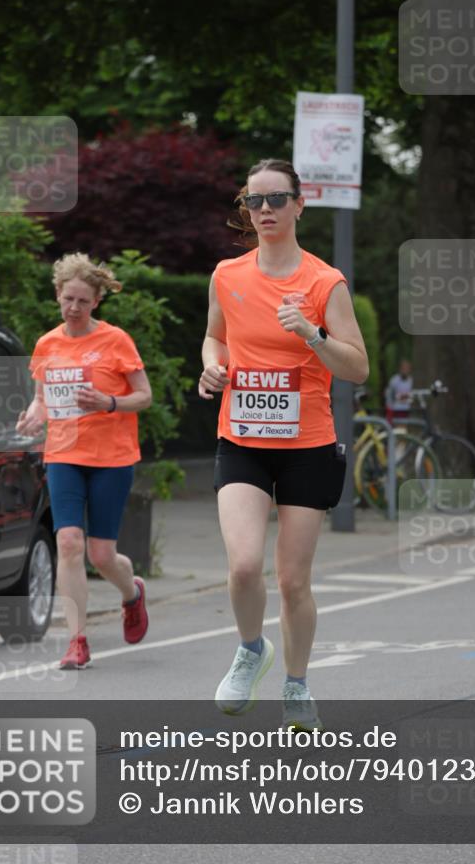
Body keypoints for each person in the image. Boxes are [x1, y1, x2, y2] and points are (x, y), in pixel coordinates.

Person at [199, 158, 369, 729]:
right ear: (245, 209)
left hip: (307, 444)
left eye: (276, 200)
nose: (265, 210)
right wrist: (212, 370)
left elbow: (359, 367)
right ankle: (251, 649)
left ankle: (296, 683)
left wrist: (313, 334)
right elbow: (213, 338)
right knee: (245, 565)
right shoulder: (227, 274)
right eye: (254, 201)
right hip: (242, 437)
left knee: (294, 580)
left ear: (300, 204)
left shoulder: (325, 282)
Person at [16, 253, 152, 667]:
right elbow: (43, 401)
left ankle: (133, 594)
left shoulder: (115, 341)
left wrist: (109, 402)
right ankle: (77, 640)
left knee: (102, 555)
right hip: (64, 453)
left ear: (96, 302)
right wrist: (31, 416)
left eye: (82, 301)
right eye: (67, 299)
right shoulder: (47, 344)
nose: (73, 308)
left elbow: (144, 396)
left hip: (111, 457)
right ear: (57, 295)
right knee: (69, 543)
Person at [384, 359, 412, 425]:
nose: (405, 370)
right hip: (396, 410)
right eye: (403, 368)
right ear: (400, 369)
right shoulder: (394, 381)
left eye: (407, 368)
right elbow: (389, 395)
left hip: (408, 410)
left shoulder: (411, 381)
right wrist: (390, 410)